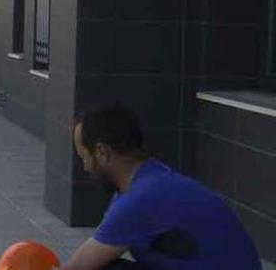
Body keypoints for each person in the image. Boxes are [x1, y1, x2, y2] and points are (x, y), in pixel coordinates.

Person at [59, 105, 261, 270]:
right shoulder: (148, 178)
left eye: (84, 156)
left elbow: (77, 268)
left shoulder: (141, 198)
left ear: (102, 152)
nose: (84, 166)